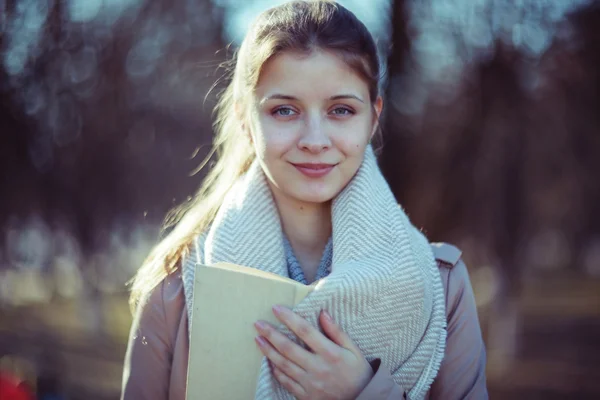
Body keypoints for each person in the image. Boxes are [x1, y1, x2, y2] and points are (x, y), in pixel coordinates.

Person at [121, 1, 488, 399]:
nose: (315, 140)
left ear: (374, 116)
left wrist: (361, 393)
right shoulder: (174, 289)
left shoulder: (440, 286)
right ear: (246, 119)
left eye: (341, 110)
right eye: (284, 110)